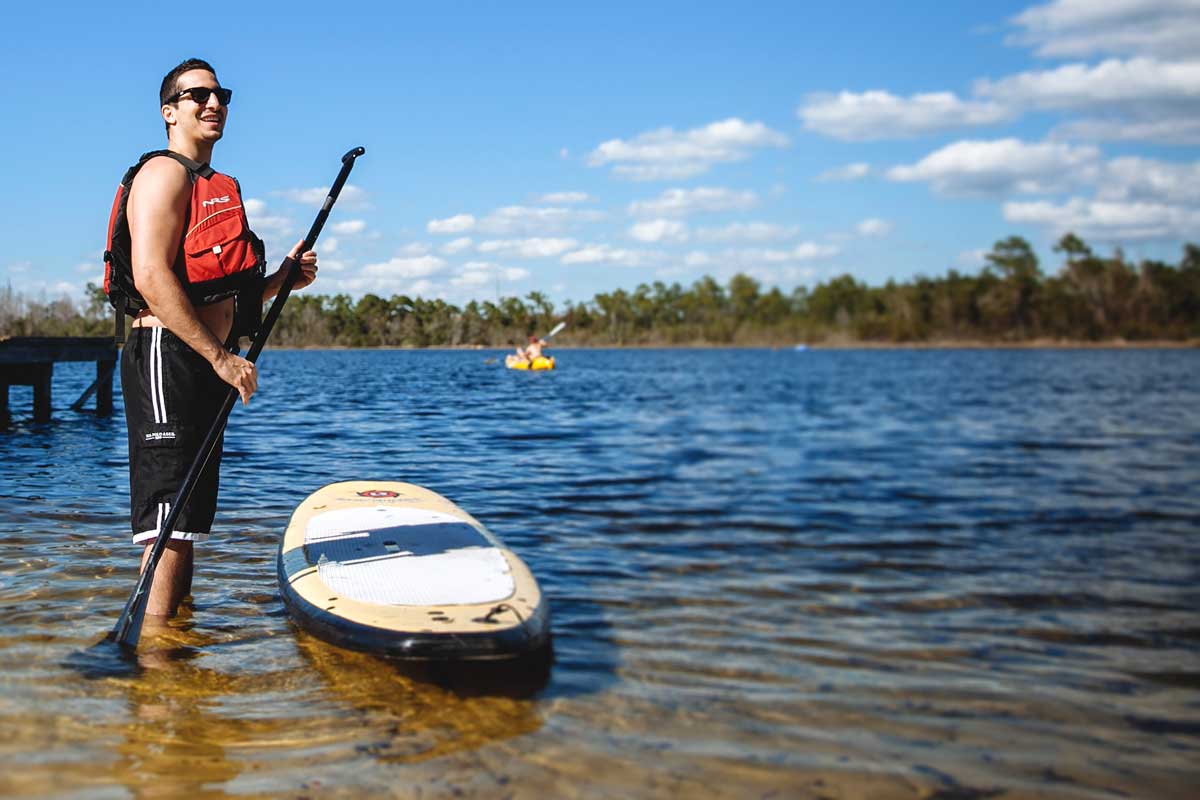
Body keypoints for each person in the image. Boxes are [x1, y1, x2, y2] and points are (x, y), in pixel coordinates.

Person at [117, 58, 318, 619]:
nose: (213, 103)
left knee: (185, 523)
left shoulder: (210, 184)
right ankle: (154, 660)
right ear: (169, 111)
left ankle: (175, 654)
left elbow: (214, 288)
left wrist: (281, 278)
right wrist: (219, 357)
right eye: (197, 94)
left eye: (221, 93)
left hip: (199, 362)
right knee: (168, 520)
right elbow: (152, 276)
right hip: (170, 356)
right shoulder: (165, 174)